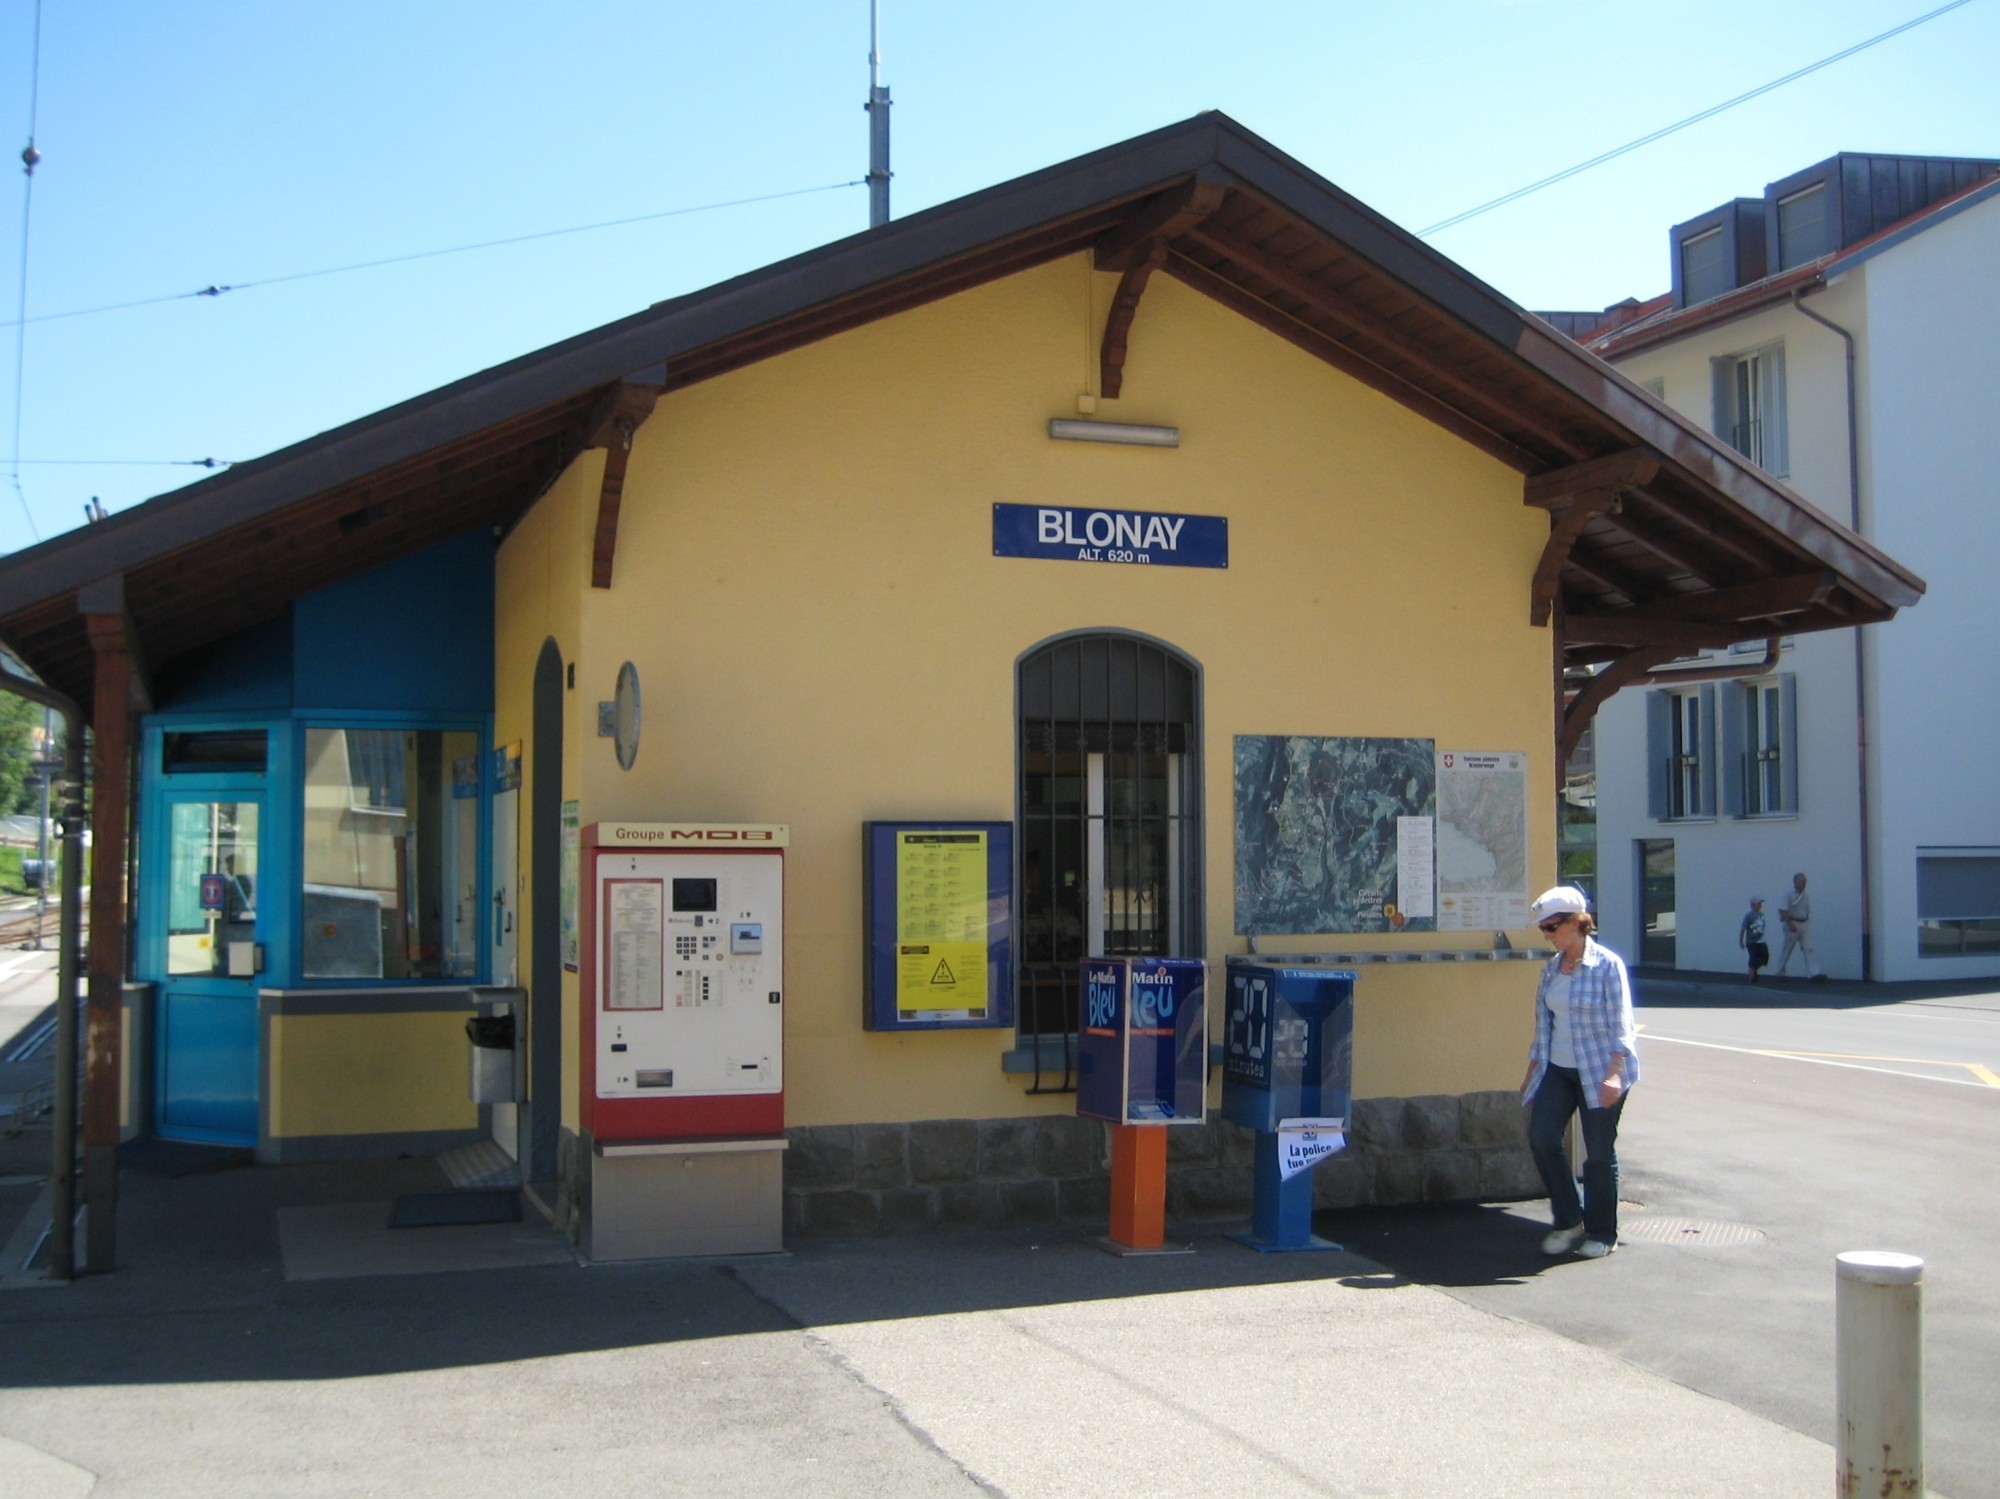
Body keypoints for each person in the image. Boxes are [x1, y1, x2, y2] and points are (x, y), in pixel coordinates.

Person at [1520, 885, 1638, 1259]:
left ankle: (1603, 1232)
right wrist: (1531, 1074)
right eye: (1544, 930)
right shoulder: (1551, 970)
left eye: (1552, 927)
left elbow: (1623, 1025)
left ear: (1577, 923)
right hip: (1559, 1068)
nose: (1548, 936)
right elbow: (1543, 1027)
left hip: (1599, 1069)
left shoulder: (1607, 965)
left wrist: (1614, 1074)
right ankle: (1570, 1218)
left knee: (1598, 1153)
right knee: (1542, 1138)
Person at [1775, 871, 1825, 980]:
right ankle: (1780, 971)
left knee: (1808, 948)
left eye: (1804, 882)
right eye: (1801, 882)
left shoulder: (1805, 895)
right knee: (1787, 948)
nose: (1803, 884)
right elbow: (1783, 911)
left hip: (1803, 924)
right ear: (1795, 882)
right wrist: (1790, 924)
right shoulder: (1789, 894)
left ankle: (1814, 973)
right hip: (1792, 923)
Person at [1739, 896, 1768, 983]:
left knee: (1765, 957)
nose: (1760, 905)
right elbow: (1743, 928)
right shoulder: (1748, 916)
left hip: (1760, 940)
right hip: (1751, 941)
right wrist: (1741, 941)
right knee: (1753, 957)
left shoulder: (1761, 915)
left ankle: (1753, 970)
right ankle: (1752, 977)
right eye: (1758, 903)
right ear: (1752, 905)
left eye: (1760, 903)